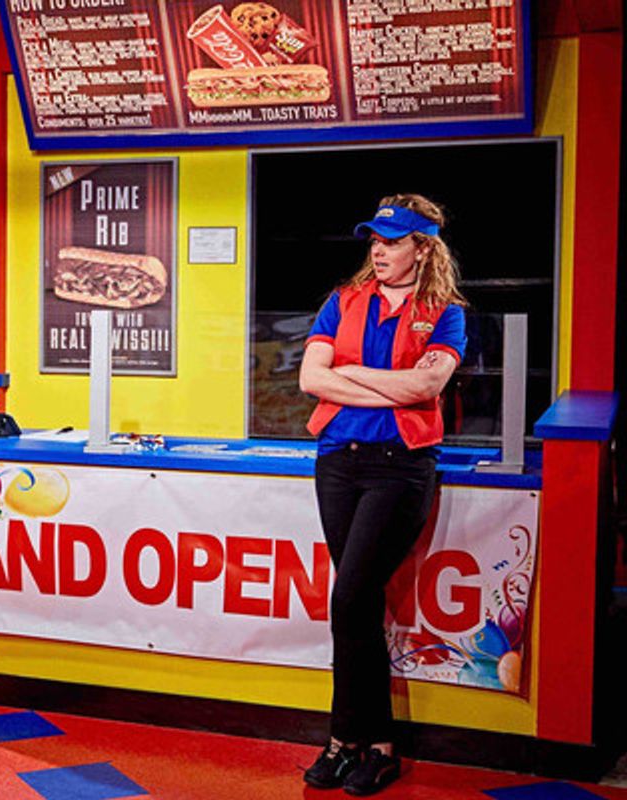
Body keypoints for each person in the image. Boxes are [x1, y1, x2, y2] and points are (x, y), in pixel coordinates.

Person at [298, 194, 467, 796]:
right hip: (338, 462)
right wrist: (391, 388)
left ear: (422, 249)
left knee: (350, 597)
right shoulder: (342, 301)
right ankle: (363, 746)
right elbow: (310, 378)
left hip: (401, 468)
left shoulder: (445, 312)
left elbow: (428, 384)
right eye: (375, 239)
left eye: (393, 242)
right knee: (357, 606)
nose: (378, 249)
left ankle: (358, 740)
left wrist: (352, 377)